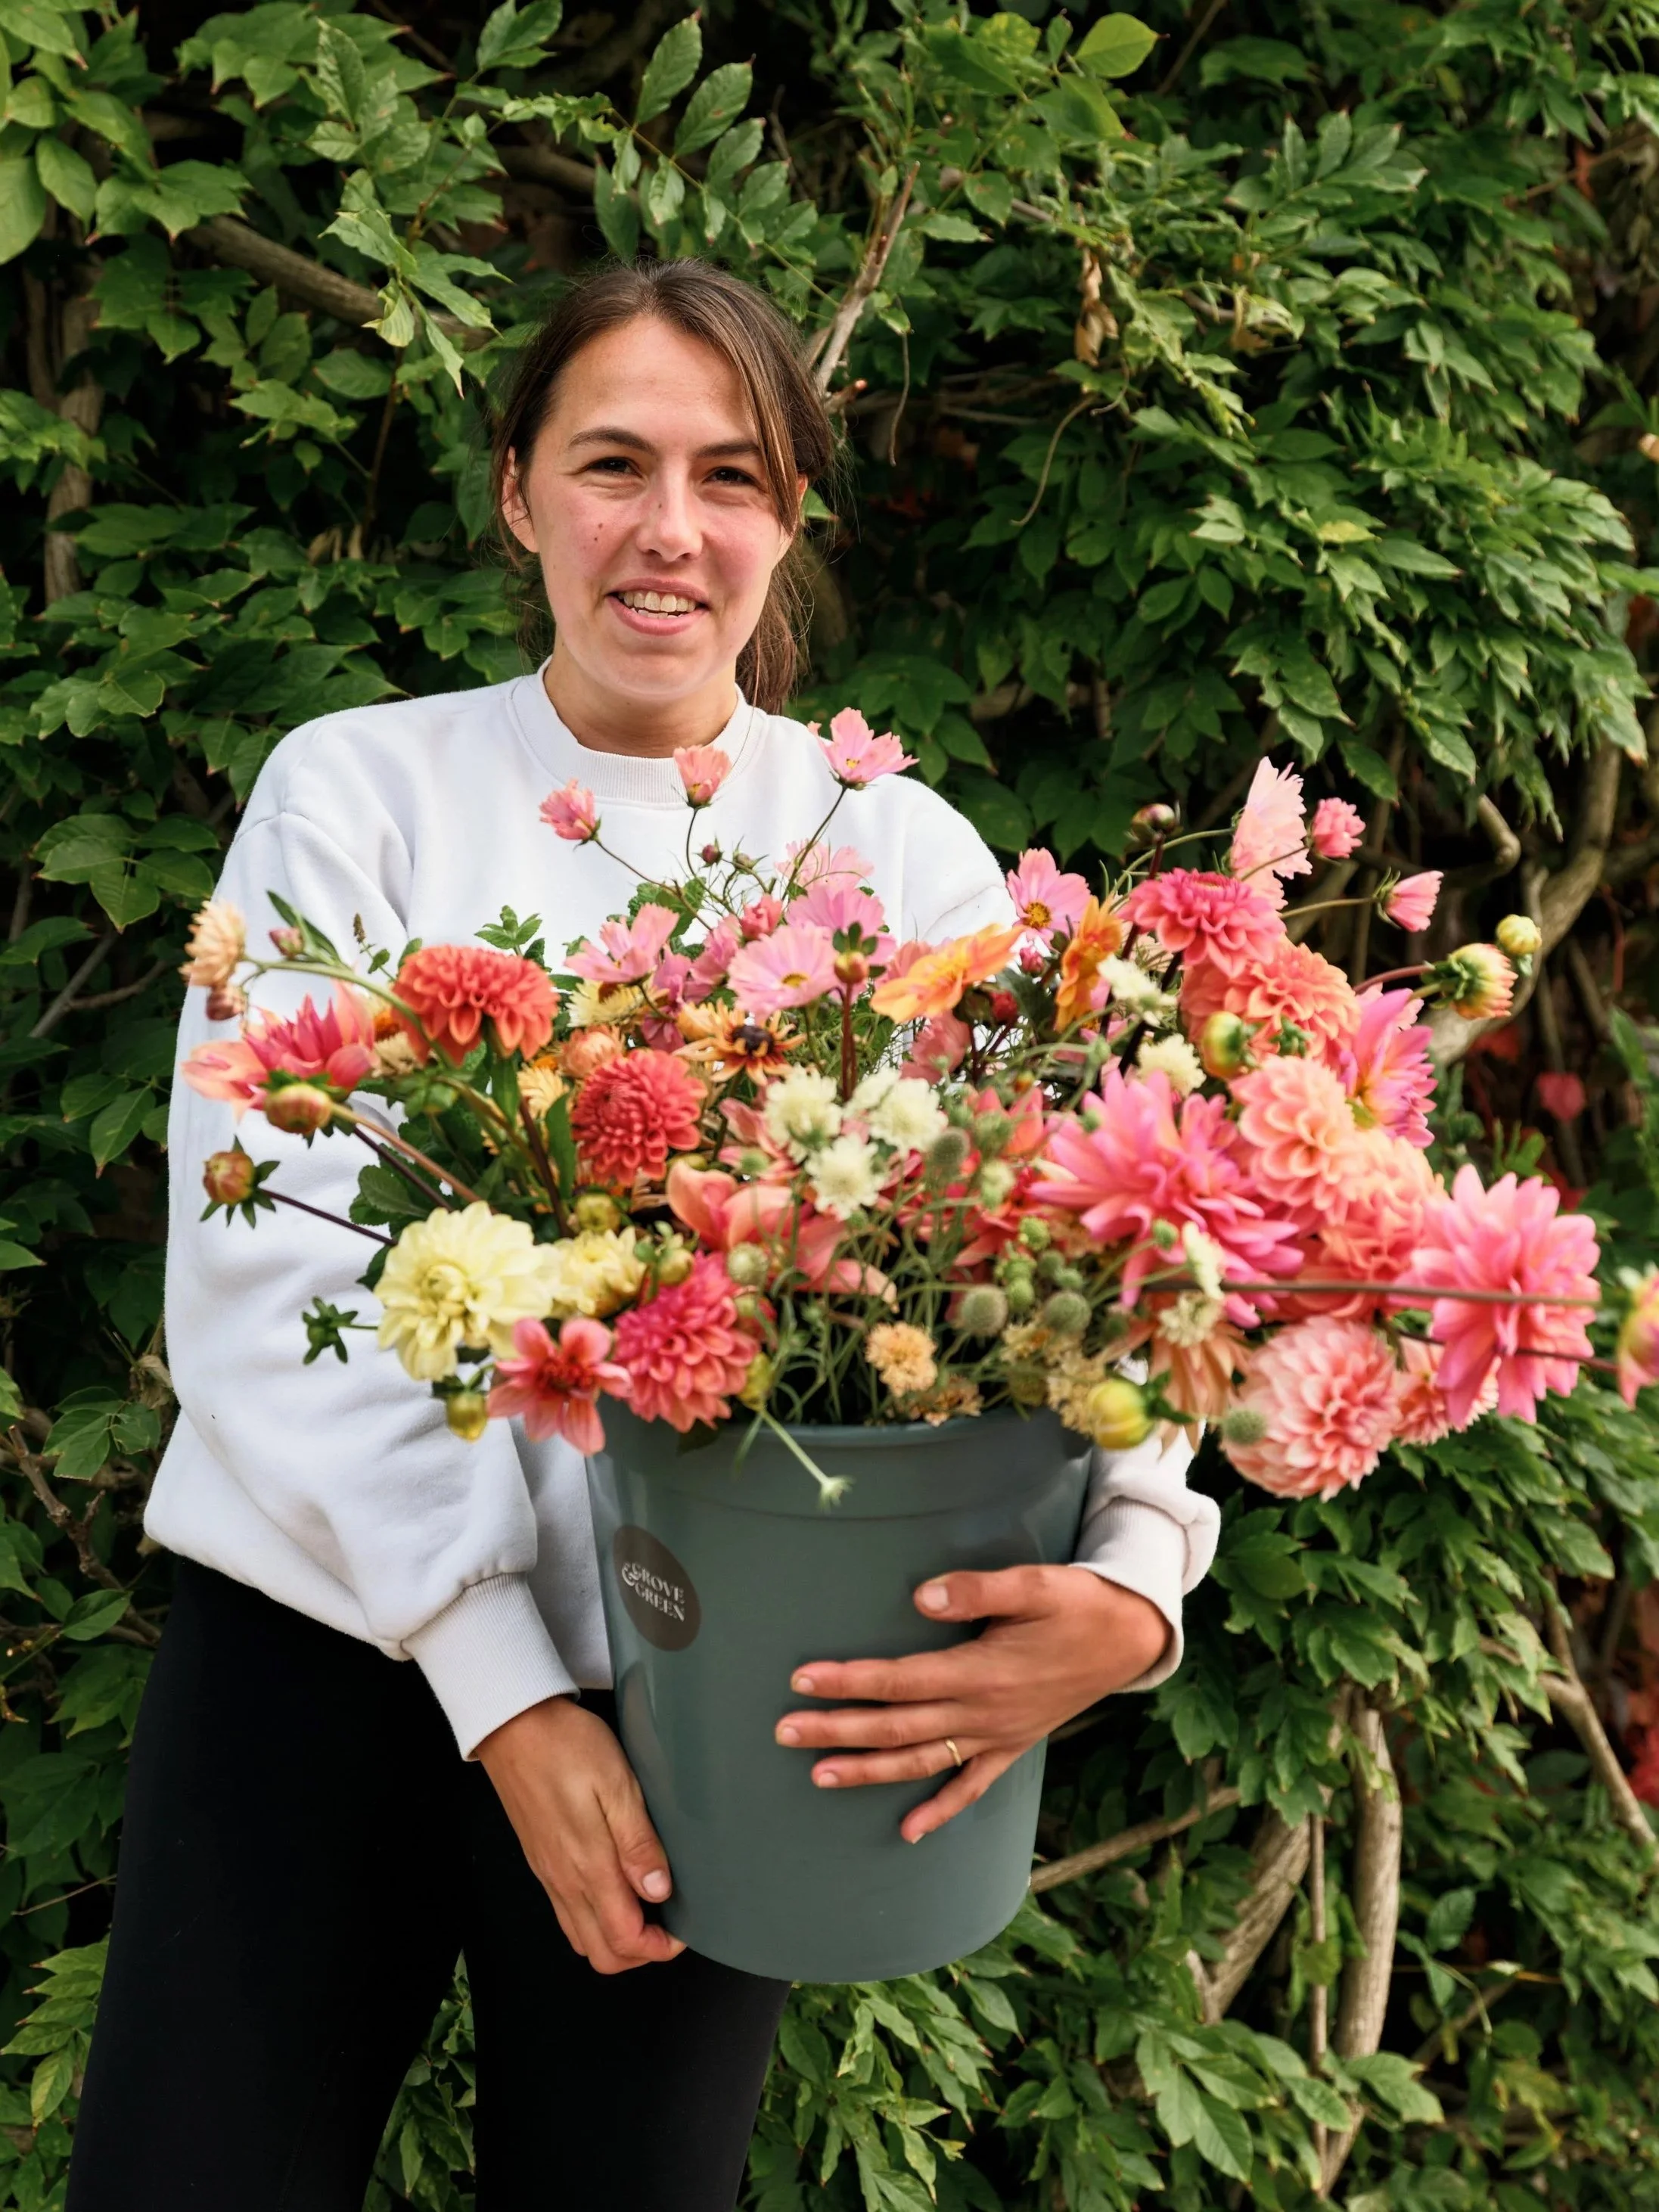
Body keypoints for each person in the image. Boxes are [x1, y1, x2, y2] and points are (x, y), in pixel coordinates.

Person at [66, 261, 1220, 2212]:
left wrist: (1141, 1577)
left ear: (791, 521)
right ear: (519, 491)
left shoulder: (905, 864)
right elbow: (270, 1279)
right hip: (327, 1654)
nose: (668, 531)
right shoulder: (356, 794)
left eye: (730, 475)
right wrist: (501, 1684)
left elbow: (1086, 1252)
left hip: (712, 1688)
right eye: (612, 464)